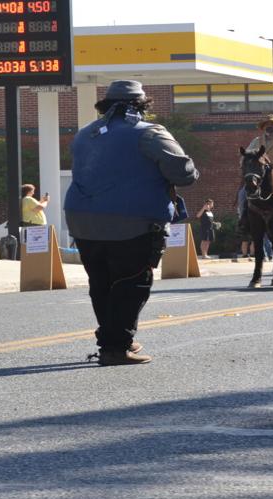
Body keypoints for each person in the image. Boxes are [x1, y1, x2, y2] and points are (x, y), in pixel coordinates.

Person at [64, 79, 198, 366]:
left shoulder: (85, 134)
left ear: (105, 105)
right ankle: (117, 347)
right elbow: (184, 173)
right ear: (143, 105)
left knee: (101, 283)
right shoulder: (149, 133)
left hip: (81, 220)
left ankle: (112, 338)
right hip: (133, 221)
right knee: (131, 283)